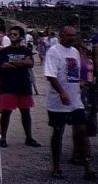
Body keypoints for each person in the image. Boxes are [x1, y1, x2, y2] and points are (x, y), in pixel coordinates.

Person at [44, 26, 95, 180]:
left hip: (75, 102)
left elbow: (77, 73)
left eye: (74, 35)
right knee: (58, 133)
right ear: (61, 35)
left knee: (82, 132)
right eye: (68, 35)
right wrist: (61, 92)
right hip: (58, 103)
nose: (71, 38)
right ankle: (56, 166)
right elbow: (50, 76)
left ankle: (88, 167)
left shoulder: (74, 52)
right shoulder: (53, 51)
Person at [0, 26, 40, 148]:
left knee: (26, 112)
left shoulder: (26, 50)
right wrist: (22, 64)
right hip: (8, 85)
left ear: (20, 36)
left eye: (15, 34)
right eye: (11, 34)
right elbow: (3, 65)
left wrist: (12, 64)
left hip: (23, 85)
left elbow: (30, 63)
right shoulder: (4, 51)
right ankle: (3, 137)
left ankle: (29, 137)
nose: (12, 36)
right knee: (6, 113)